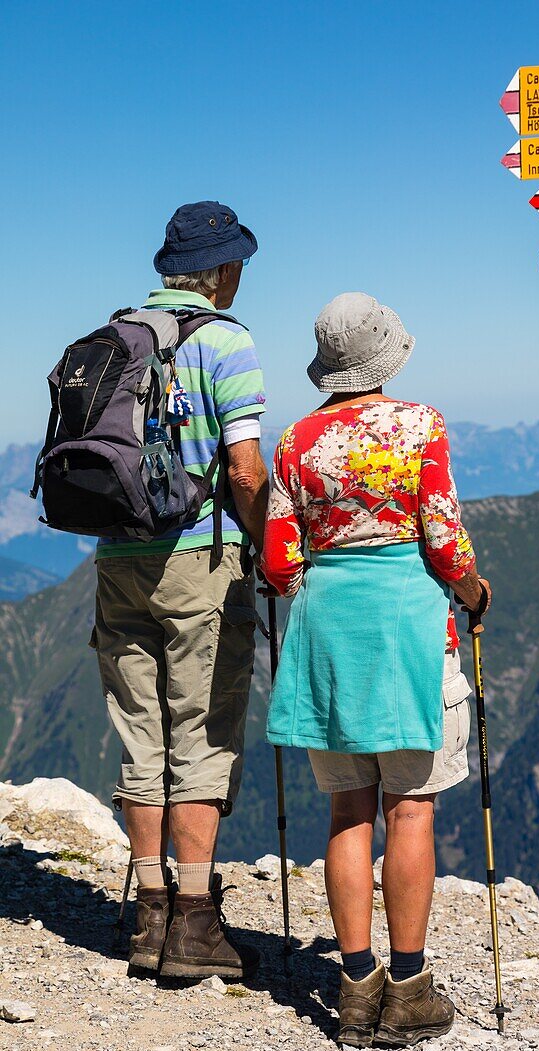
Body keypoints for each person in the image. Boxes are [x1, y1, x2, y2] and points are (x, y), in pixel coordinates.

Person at [261, 292, 491, 1047]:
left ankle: (354, 988)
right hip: (406, 627)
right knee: (410, 807)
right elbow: (442, 536)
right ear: (389, 354)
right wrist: (471, 590)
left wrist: (325, 587)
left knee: (346, 811)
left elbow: (278, 561)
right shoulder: (418, 425)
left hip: (329, 633)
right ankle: (410, 986)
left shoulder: (294, 438)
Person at [93, 202, 269, 979]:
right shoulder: (227, 343)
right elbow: (244, 470)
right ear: (224, 271)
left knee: (141, 737)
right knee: (199, 737)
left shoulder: (114, 337)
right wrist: (265, 546)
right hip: (198, 561)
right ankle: (194, 926)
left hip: (115, 559)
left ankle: (146, 918)